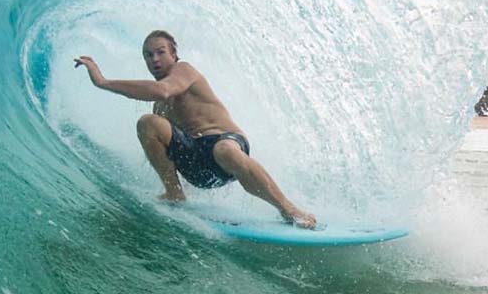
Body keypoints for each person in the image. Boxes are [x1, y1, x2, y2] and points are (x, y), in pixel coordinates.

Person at [74, 30, 317, 228]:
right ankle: (174, 193)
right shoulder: (159, 105)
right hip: (198, 166)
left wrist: (103, 82)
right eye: (148, 55)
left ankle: (288, 208)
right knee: (147, 123)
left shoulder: (184, 71)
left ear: (174, 54)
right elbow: (165, 146)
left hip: (225, 145)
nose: (155, 59)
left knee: (225, 150)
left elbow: (163, 89)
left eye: (160, 52)